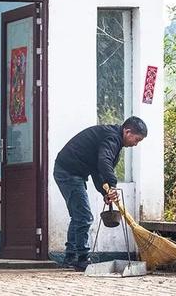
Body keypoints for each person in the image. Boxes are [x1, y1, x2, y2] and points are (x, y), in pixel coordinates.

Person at [54, 116, 148, 271]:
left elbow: (97, 169)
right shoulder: (112, 138)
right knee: (84, 216)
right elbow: (104, 161)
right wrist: (112, 185)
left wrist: (105, 191)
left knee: (78, 216)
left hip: (72, 171)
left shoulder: (113, 139)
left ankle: (71, 257)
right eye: (136, 139)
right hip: (67, 172)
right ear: (127, 131)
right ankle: (82, 258)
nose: (135, 144)